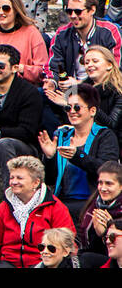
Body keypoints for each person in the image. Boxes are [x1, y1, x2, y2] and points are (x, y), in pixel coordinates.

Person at [40, 84, 121, 216]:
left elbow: (107, 171)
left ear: (92, 111)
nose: (72, 111)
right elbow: (50, 179)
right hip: (63, 200)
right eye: (68, 107)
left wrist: (77, 155)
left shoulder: (105, 135)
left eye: (77, 107)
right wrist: (50, 157)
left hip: (92, 202)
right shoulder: (62, 135)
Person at [0, 154, 76, 267]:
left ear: (36, 182)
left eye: (19, 178)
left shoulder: (55, 207)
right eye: (12, 177)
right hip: (8, 262)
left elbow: (66, 243)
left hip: (41, 263)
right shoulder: (4, 206)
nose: (14, 182)